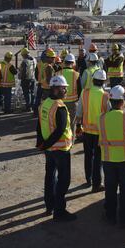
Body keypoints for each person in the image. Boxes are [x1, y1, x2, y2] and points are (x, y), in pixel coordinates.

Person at [36, 75, 77, 222]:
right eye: (63, 88)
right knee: (64, 180)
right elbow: (60, 130)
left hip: (49, 149)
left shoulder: (44, 104)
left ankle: (50, 205)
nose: (66, 90)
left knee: (50, 176)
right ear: (55, 89)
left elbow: (39, 125)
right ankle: (59, 211)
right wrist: (46, 144)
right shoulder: (60, 107)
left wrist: (41, 143)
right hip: (60, 149)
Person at [98, 85, 125, 228]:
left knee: (110, 189)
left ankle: (110, 216)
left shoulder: (101, 118)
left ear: (110, 101)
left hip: (108, 159)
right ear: (123, 101)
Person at [76, 69, 110, 192]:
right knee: (98, 158)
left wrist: (78, 126)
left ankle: (88, 179)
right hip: (100, 133)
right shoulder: (106, 96)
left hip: (86, 131)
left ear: (93, 80)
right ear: (104, 81)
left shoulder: (85, 93)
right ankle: (97, 183)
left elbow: (79, 111)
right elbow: (109, 114)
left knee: (88, 156)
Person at [59, 54, 82, 133]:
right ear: (73, 63)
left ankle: (63, 141)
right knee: (72, 123)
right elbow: (80, 90)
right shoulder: (76, 74)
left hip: (60, 103)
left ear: (64, 62)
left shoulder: (58, 73)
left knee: (61, 123)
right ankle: (71, 143)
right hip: (73, 103)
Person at [36, 49, 56, 114]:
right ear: (48, 58)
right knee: (48, 103)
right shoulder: (49, 67)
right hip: (48, 88)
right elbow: (48, 79)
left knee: (44, 102)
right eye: (52, 58)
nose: (54, 59)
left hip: (44, 86)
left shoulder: (44, 65)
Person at [19, 48, 37, 112]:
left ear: (24, 54)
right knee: (32, 93)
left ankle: (28, 107)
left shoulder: (25, 61)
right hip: (33, 78)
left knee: (27, 93)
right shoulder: (34, 60)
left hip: (26, 79)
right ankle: (32, 106)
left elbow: (24, 72)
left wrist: (22, 79)